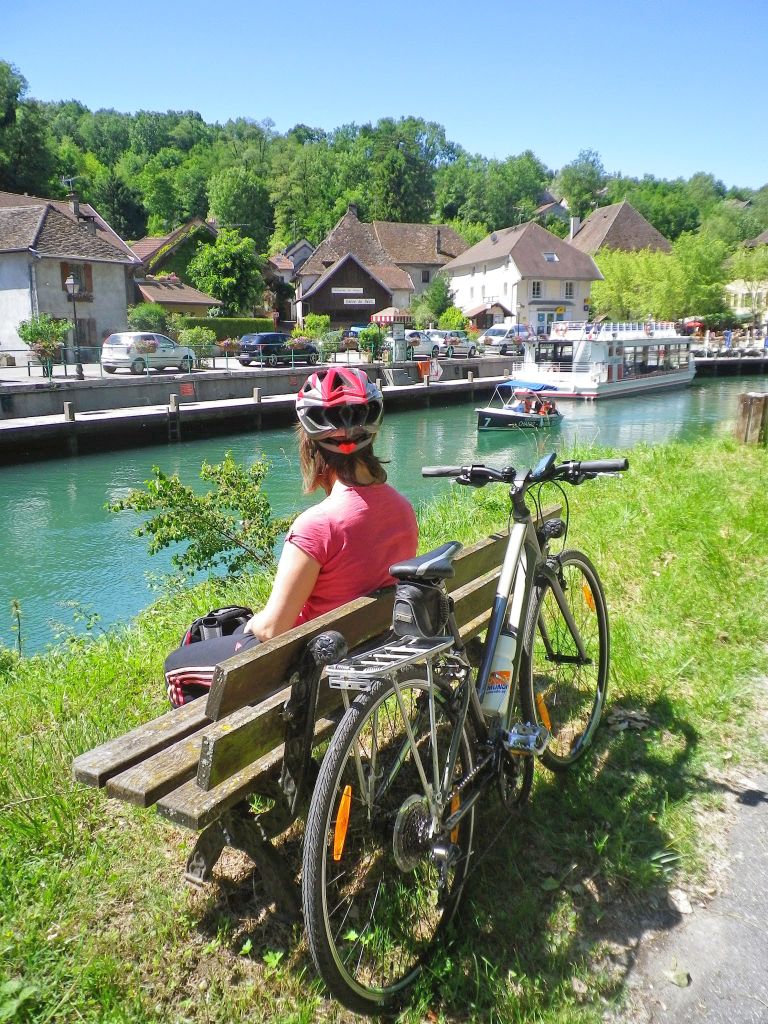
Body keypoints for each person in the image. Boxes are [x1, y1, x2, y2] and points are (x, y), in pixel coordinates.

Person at [164, 367, 419, 707]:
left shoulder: (317, 525)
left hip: (311, 667)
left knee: (176, 667)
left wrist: (247, 626)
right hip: (366, 654)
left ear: (311, 446)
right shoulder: (402, 508)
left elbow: (272, 631)